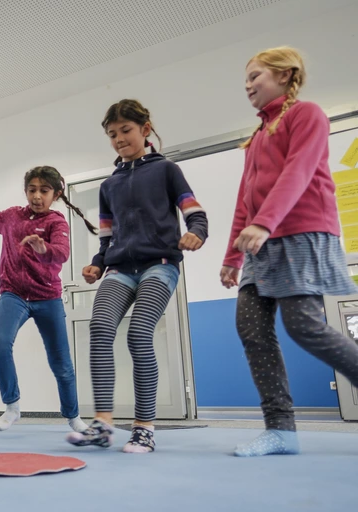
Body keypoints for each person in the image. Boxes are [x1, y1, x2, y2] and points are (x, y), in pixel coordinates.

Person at [220, 46, 358, 457]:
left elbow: (299, 170)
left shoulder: (307, 114)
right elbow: (244, 200)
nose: (247, 85)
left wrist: (266, 222)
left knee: (303, 326)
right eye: (245, 80)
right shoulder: (256, 137)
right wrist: (231, 257)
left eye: (255, 76)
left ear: (284, 75)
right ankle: (280, 430)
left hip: (300, 233)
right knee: (251, 328)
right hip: (261, 242)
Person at [66, 99, 207, 453]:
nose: (118, 139)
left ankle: (144, 428)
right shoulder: (108, 186)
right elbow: (106, 238)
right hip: (119, 269)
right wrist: (97, 263)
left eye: (125, 130)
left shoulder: (167, 170)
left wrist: (196, 233)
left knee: (139, 333)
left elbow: (195, 213)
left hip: (160, 264)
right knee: (100, 328)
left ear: (145, 130)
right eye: (112, 134)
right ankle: (102, 424)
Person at [0, 166, 96, 433]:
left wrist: (43, 248)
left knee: (61, 363)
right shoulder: (12, 217)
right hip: (14, 294)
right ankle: (12, 406)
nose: (37, 196)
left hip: (48, 297)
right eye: (32, 190)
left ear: (56, 194)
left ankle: (73, 416)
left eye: (44, 191)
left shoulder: (56, 222)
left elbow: (62, 253)